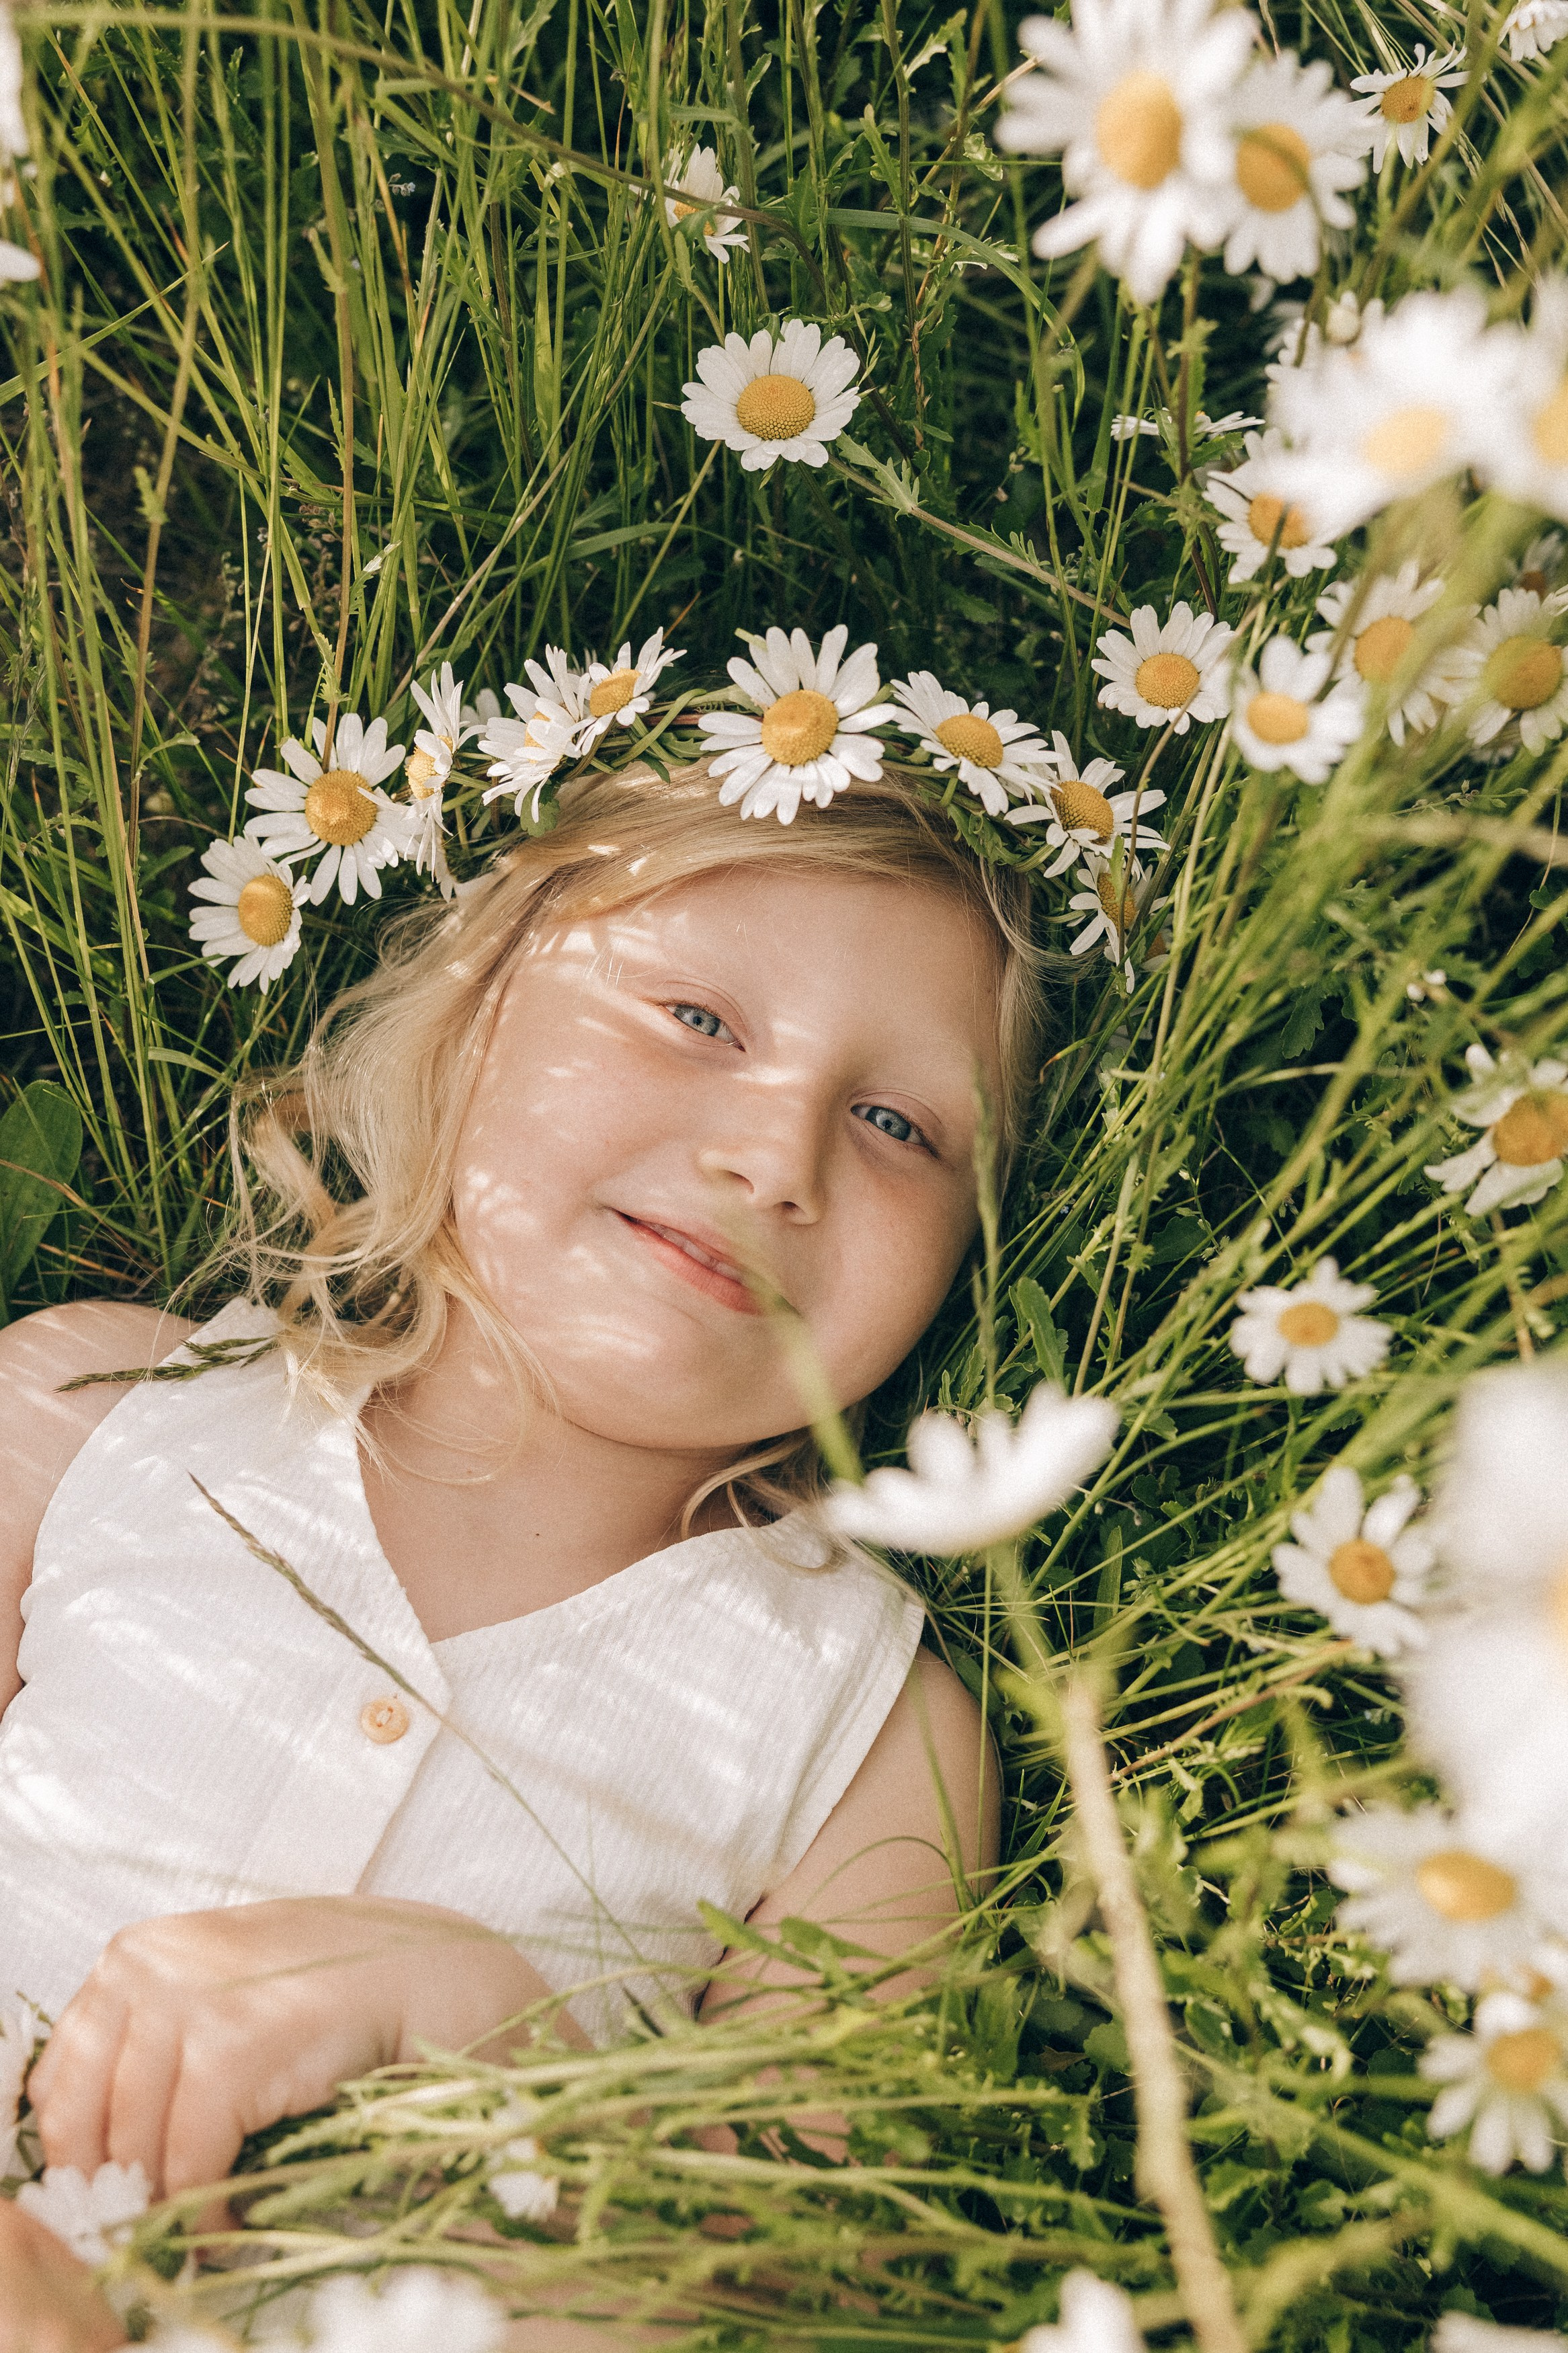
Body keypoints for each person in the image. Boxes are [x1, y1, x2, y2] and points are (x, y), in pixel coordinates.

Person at [0, 756, 1044, 2342]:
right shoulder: (88, 1408)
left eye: (899, 1122)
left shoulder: (877, 1734)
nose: (777, 1155)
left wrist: (494, 2023)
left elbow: (807, 2273)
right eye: (700, 1021)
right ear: (478, 1008)